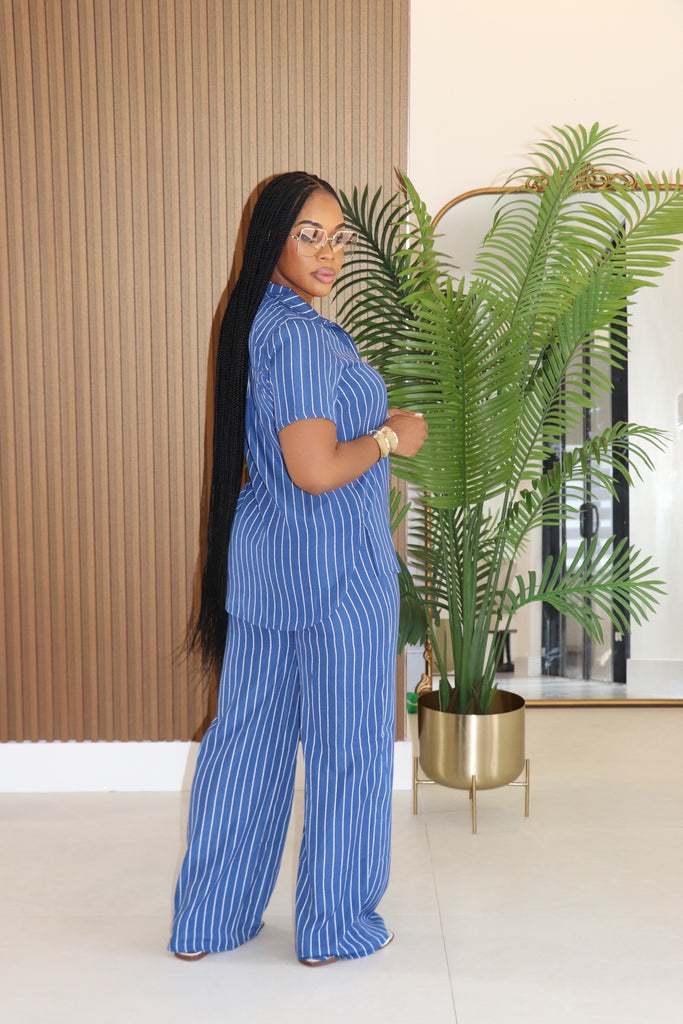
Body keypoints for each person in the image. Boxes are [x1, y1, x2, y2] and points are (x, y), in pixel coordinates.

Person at [169, 171, 428, 966]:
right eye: (309, 234)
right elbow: (315, 470)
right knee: (348, 750)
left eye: (337, 237)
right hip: (340, 574)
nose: (329, 251)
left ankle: (209, 922)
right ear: (270, 240)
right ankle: (333, 928)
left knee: (246, 743)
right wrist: (392, 435)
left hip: (266, 569)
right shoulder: (307, 336)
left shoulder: (253, 321)